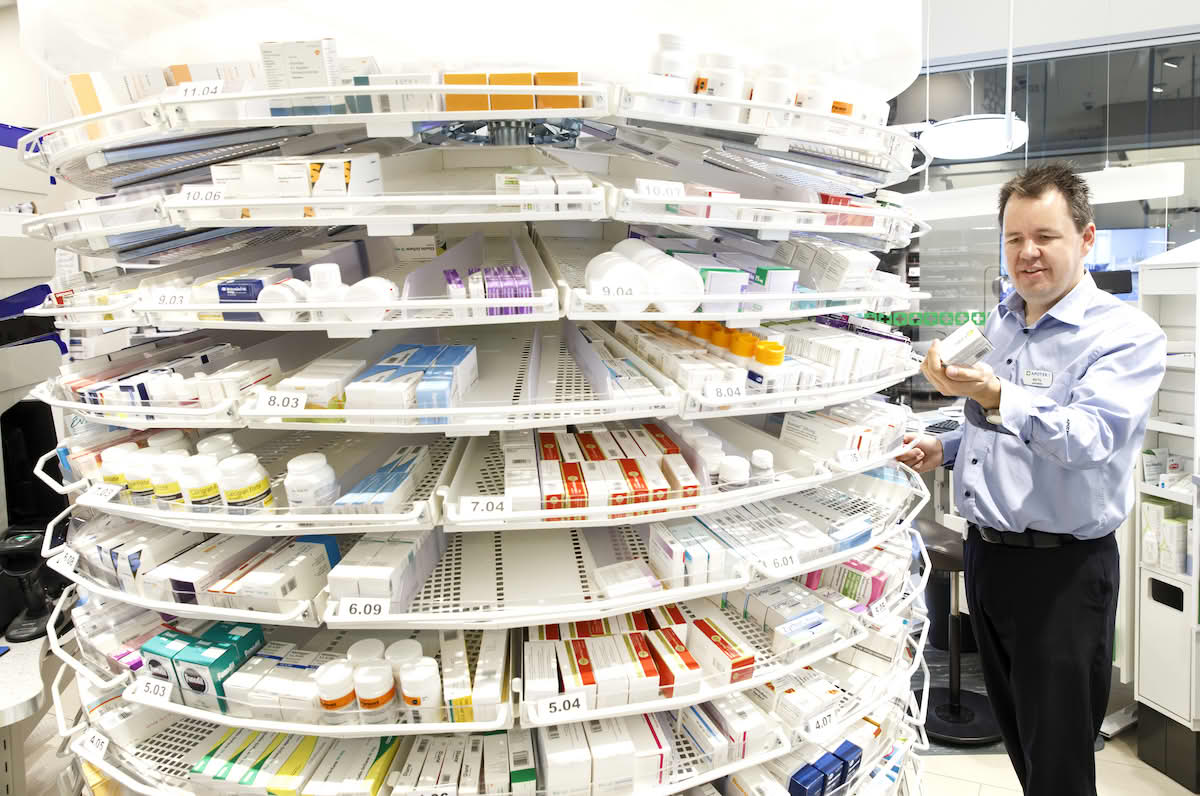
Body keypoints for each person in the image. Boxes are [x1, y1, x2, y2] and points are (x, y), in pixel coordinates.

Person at [897, 163, 1166, 796]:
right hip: (990, 558)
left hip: (1063, 575)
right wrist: (943, 447)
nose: (1028, 253)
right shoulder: (1003, 322)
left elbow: (1091, 438)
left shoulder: (1126, 335)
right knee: (1020, 738)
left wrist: (997, 394)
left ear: (1087, 238)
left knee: (1059, 761)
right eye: (1015, 238)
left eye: (1045, 236)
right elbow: (994, 433)